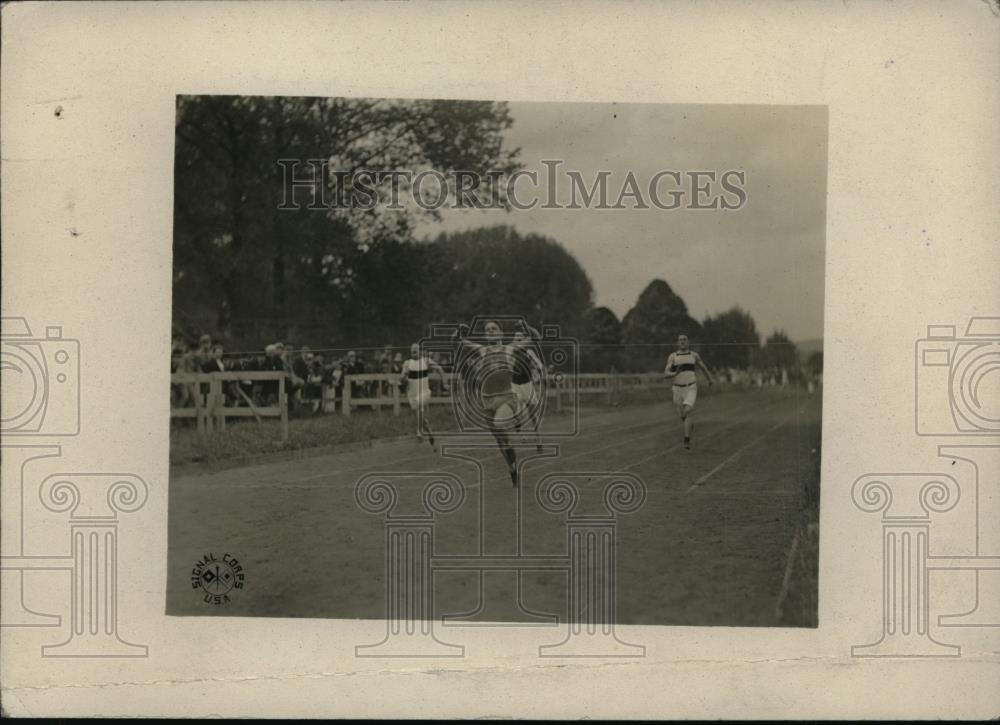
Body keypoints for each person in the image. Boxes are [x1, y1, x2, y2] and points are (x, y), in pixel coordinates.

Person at [453, 319, 542, 487]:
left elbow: (537, 338)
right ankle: (512, 467)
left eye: (494, 329)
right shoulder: (482, 350)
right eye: (488, 330)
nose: (491, 331)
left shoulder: (510, 349)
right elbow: (456, 342)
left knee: (499, 424)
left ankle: (514, 431)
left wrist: (526, 326)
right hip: (486, 401)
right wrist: (458, 331)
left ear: (501, 332)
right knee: (500, 441)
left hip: (506, 397)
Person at [663, 333, 715, 451]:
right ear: (677, 343)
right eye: (680, 340)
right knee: (683, 415)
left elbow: (703, 367)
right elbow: (665, 374)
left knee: (688, 410)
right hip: (677, 388)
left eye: (685, 340)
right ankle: (688, 423)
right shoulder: (673, 356)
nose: (682, 342)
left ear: (688, 342)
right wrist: (674, 373)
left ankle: (686, 439)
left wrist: (710, 379)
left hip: (691, 387)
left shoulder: (694, 355)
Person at [399, 342, 447, 448]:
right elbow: (401, 380)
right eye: (412, 349)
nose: (414, 351)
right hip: (411, 393)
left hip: (425, 392)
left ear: (420, 351)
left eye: (416, 349)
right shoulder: (407, 363)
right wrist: (404, 376)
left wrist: (445, 383)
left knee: (419, 407)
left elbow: (439, 369)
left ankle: (419, 432)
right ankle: (430, 434)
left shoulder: (426, 361)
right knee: (419, 414)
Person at [510, 330, 545, 450]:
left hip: (527, 385)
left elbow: (539, 365)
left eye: (521, 338)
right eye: (516, 338)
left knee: (533, 415)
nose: (518, 341)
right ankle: (520, 429)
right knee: (516, 409)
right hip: (514, 385)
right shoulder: (511, 352)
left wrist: (538, 370)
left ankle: (538, 440)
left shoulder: (529, 352)